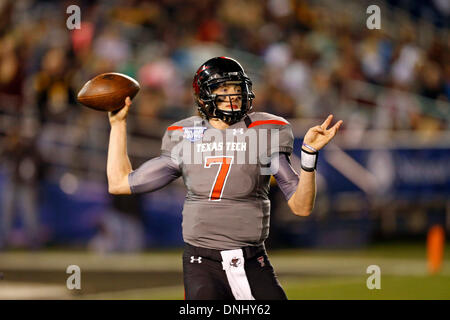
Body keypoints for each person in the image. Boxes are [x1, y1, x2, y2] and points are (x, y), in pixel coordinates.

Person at [107, 57, 343, 300]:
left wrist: (309, 156)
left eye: (237, 88)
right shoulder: (185, 136)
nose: (233, 96)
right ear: (203, 96)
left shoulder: (263, 133)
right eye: (223, 89)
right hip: (202, 263)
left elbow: (301, 207)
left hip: (252, 260)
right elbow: (120, 183)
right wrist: (118, 125)